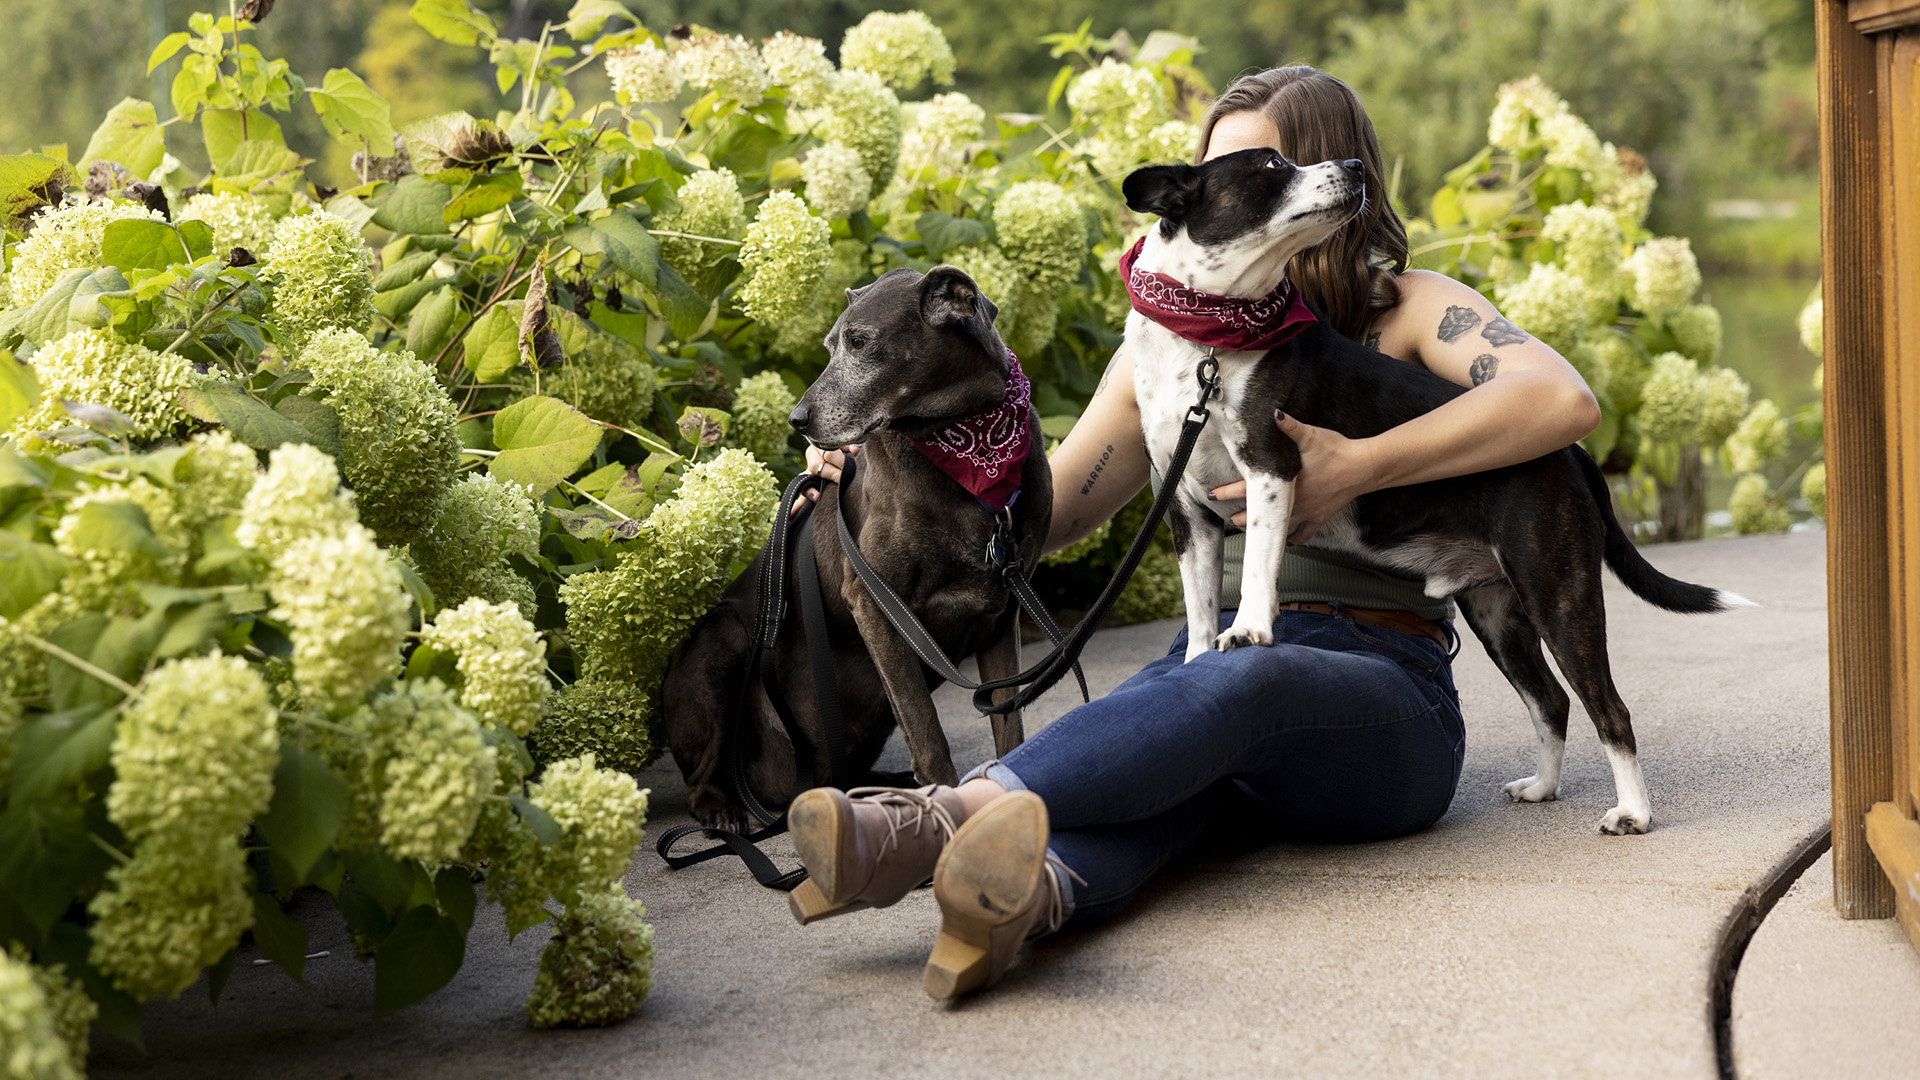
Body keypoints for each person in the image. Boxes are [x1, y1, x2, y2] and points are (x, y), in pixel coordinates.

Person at [784, 65, 1601, 1001]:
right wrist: (894, 452)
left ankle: (930, 826)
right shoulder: (1162, 348)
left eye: (1257, 166)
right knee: (1172, 770)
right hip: (1210, 662)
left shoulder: (1408, 309)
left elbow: (1559, 400)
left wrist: (1362, 465)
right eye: (1214, 171)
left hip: (1386, 695)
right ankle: (1012, 904)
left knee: (1239, 681)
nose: (1217, 193)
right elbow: (1049, 511)